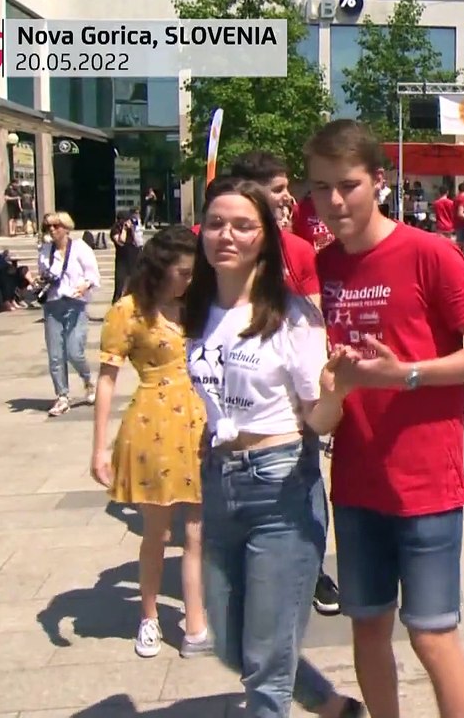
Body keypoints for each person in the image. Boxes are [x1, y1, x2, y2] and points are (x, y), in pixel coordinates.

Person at [307, 120, 464, 718]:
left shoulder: (429, 253)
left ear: (378, 181)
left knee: (431, 634)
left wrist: (407, 374)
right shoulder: (322, 267)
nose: (334, 201)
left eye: (347, 185)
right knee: (367, 626)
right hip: (355, 482)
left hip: (425, 483)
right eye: (320, 187)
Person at [184, 176, 362, 718]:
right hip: (220, 482)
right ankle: (331, 706)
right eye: (216, 223)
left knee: (265, 663)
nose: (226, 235)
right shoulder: (197, 311)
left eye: (242, 226)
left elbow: (319, 421)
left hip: (280, 483)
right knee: (231, 644)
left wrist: (336, 392)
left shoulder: (293, 316)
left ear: (265, 237)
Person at [91, 226, 210, 659]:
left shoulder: (199, 306)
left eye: (195, 272)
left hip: (201, 424)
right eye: (183, 272)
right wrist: (99, 447)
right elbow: (107, 379)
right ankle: (149, 615)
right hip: (153, 425)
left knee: (197, 532)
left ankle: (195, 621)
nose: (190, 280)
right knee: (157, 532)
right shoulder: (128, 311)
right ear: (161, 268)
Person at [38, 211, 101, 417]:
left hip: (75, 303)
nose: (52, 230)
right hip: (53, 304)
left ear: (66, 228)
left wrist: (85, 285)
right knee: (55, 354)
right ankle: (62, 396)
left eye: (56, 226)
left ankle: (88, 380)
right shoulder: (45, 250)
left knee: (74, 351)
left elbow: (92, 274)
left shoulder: (80, 248)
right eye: (48, 227)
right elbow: (45, 275)